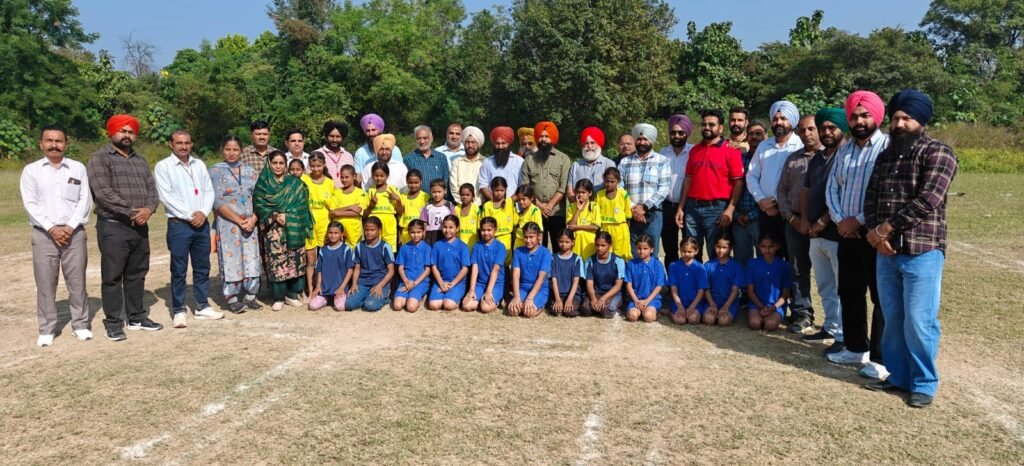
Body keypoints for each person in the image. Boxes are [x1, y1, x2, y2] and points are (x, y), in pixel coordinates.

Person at [863, 90, 957, 408]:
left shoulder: (939, 153)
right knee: (893, 317)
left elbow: (928, 200)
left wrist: (886, 228)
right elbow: (871, 196)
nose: (899, 123)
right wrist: (876, 233)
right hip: (886, 252)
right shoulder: (886, 155)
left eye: (907, 118)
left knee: (919, 320)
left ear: (921, 121)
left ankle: (924, 383)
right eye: (896, 118)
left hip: (922, 250)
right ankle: (899, 376)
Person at [825, 90, 890, 377]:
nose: (859, 120)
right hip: (846, 233)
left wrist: (859, 221)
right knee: (849, 291)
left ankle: (879, 357)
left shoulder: (887, 147)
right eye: (854, 116)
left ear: (876, 116)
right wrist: (841, 221)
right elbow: (832, 189)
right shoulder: (845, 150)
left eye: (865, 115)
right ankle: (854, 347)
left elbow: (886, 192)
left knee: (880, 296)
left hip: (874, 233)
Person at [87, 114, 162, 340]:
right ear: (112, 132)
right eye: (123, 131)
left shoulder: (140, 161)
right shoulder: (100, 158)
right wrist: (132, 212)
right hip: (113, 226)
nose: (127, 135)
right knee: (112, 276)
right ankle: (113, 322)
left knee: (137, 273)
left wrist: (148, 209)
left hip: (139, 226)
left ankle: (137, 316)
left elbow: (153, 191)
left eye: (131, 132)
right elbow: (102, 193)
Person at [21, 125, 93, 346]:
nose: (54, 145)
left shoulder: (77, 168)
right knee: (45, 283)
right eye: (49, 141)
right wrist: (51, 228)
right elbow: (30, 203)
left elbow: (85, 199)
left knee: (77, 282)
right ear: (41, 144)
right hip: (44, 234)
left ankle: (80, 325)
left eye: (59, 141)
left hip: (74, 233)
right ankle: (47, 328)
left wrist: (70, 227)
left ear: (66, 143)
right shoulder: (31, 171)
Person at [155, 129, 222, 328]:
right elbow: (166, 196)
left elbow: (208, 190)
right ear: (171, 144)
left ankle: (202, 305)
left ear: (191, 144)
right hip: (179, 225)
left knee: (203, 267)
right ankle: (179, 310)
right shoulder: (163, 167)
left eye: (187, 143)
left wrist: (203, 212)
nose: (183, 146)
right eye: (179, 143)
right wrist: (190, 215)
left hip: (201, 224)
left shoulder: (199, 164)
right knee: (179, 269)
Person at [800, 108, 847, 346]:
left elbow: (843, 195)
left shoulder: (847, 156)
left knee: (843, 288)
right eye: (823, 128)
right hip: (814, 234)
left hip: (837, 233)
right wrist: (807, 220)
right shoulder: (818, 158)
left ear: (842, 129)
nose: (826, 132)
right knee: (825, 285)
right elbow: (807, 191)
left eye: (832, 128)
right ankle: (830, 327)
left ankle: (844, 336)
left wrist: (821, 222)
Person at [674, 109, 745, 262]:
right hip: (692, 208)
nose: (707, 127)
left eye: (711, 124)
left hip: (717, 209)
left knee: (717, 253)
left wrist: (730, 210)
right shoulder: (694, 151)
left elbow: (739, 182)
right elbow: (688, 180)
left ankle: (715, 286)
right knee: (691, 252)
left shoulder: (731, 150)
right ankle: (696, 285)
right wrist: (681, 207)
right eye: (704, 124)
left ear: (720, 128)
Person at [776, 115, 821, 333]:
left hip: (825, 225)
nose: (807, 134)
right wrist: (792, 219)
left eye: (811, 129)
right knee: (797, 269)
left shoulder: (831, 157)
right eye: (802, 130)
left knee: (828, 272)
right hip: (794, 223)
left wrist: (820, 222)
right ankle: (802, 313)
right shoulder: (792, 159)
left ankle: (836, 321)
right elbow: (781, 191)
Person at [209, 136, 263, 313]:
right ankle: (232, 297)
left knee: (252, 257)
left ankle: (251, 295)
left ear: (241, 151)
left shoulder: (250, 171)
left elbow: (259, 197)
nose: (232, 153)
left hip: (250, 223)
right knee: (231, 259)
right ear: (222, 150)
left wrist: (253, 218)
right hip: (228, 224)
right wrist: (239, 221)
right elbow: (217, 201)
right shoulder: (216, 171)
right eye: (228, 149)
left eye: (235, 150)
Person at [254, 150, 312, 311]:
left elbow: (302, 205)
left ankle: (292, 294)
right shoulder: (263, 183)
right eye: (275, 163)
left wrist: (288, 215)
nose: (278, 166)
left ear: (286, 165)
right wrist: (275, 215)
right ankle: (278, 296)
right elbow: (259, 205)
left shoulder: (295, 183)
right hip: (273, 230)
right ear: (269, 164)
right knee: (277, 262)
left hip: (294, 228)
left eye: (281, 163)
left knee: (295, 259)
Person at [747, 100, 804, 260]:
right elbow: (751, 176)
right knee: (769, 257)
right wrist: (762, 200)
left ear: (792, 121)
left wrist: (778, 202)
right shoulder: (764, 146)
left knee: (792, 259)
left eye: (783, 118)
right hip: (766, 212)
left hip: (791, 213)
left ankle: (789, 287)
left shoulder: (800, 145)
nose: (779, 122)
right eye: (775, 119)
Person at [619, 123, 670, 258]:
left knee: (651, 252)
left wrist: (645, 207)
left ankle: (652, 279)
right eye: (639, 139)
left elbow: (663, 189)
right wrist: (634, 208)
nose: (642, 142)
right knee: (633, 252)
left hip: (653, 214)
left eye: (645, 139)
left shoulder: (662, 161)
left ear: (651, 141)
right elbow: (620, 188)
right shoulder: (625, 162)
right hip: (631, 214)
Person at [520, 121, 572, 247]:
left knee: (559, 246)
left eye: (547, 136)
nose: (543, 139)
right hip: (535, 211)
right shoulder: (529, 160)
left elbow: (563, 186)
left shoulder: (563, 159)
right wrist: (540, 206)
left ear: (553, 138)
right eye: (541, 136)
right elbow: (525, 187)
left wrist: (549, 205)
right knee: (536, 247)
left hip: (557, 212)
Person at [660, 114, 695, 265]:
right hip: (666, 206)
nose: (677, 136)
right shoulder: (662, 153)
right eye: (673, 132)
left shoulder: (694, 152)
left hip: (689, 206)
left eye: (681, 132)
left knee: (690, 246)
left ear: (687, 133)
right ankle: (672, 283)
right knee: (669, 248)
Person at [301, 152, 335, 301]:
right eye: (313, 166)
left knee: (324, 257)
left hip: (324, 223)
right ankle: (309, 288)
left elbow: (332, 206)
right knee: (310, 259)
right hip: (308, 223)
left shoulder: (329, 182)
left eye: (319, 166)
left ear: (324, 165)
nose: (316, 169)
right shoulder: (304, 179)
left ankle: (322, 286)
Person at [732, 121, 766, 265]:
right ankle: (744, 288)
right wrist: (736, 214)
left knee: (763, 258)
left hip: (760, 216)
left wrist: (751, 215)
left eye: (758, 133)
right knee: (741, 258)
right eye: (751, 134)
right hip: (739, 216)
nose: (754, 137)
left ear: (766, 135)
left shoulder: (768, 160)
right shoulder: (739, 159)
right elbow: (732, 187)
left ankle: (760, 288)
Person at [347, 216, 395, 312]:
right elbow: (357, 267)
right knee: (349, 304)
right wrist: (354, 284)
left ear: (379, 230)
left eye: (372, 230)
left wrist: (380, 286)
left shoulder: (385, 247)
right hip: (363, 282)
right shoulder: (359, 246)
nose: (368, 232)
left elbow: (391, 270)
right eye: (366, 230)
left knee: (370, 305)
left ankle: (384, 298)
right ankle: (367, 296)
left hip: (380, 282)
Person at [746, 232, 791, 332]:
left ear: (777, 246)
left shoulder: (784, 266)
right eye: (763, 246)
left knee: (769, 325)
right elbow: (750, 291)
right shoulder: (752, 264)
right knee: (754, 323)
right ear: (758, 246)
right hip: (757, 304)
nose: (767, 250)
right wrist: (761, 306)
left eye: (771, 247)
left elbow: (785, 294)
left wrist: (774, 308)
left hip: (776, 306)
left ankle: (774, 315)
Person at [462, 216, 505, 314]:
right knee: (467, 306)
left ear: (495, 230)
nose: (486, 233)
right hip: (480, 283)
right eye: (483, 230)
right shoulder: (477, 246)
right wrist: (471, 290)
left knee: (485, 308)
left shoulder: (500, 247)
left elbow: (495, 270)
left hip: (496, 284)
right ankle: (479, 299)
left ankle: (497, 299)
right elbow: (475, 268)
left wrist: (489, 291)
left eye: (489, 230)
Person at [508, 222, 551, 318]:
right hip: (523, 288)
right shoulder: (518, 251)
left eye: (531, 237)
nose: (528, 240)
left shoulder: (545, 253)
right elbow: (515, 275)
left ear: (538, 236)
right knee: (513, 311)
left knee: (528, 313)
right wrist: (516, 297)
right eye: (526, 237)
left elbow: (541, 278)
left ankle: (541, 306)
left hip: (540, 290)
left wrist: (530, 298)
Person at [428, 215, 471, 311]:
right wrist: (441, 283)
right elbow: (434, 266)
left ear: (457, 228)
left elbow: (465, 268)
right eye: (445, 227)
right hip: (441, 281)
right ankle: (445, 294)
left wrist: (452, 284)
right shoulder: (437, 245)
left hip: (457, 282)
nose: (447, 230)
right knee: (434, 305)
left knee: (448, 305)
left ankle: (455, 298)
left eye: (451, 227)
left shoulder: (463, 246)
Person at [309, 222, 355, 311]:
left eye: (336, 233)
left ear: (342, 234)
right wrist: (318, 286)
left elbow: (350, 269)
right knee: (312, 306)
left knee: (339, 307)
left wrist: (342, 287)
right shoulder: (323, 250)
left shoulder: (346, 249)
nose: (333, 235)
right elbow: (319, 270)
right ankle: (326, 298)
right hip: (324, 287)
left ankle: (336, 297)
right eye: (330, 233)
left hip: (340, 287)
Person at [703, 232, 745, 327]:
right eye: (718, 247)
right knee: (708, 320)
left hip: (730, 303)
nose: (720, 250)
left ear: (731, 248)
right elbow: (706, 288)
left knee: (723, 321)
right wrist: (712, 304)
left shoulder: (736, 267)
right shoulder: (708, 265)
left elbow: (735, 290)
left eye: (724, 248)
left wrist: (726, 307)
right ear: (714, 246)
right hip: (712, 301)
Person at [392, 219, 432, 313]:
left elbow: (427, 270)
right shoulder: (404, 248)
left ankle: (421, 296)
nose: (416, 235)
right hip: (405, 282)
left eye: (419, 232)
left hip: (420, 283)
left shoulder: (427, 248)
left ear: (423, 232)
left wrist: (414, 284)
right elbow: (400, 267)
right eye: (413, 232)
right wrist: (406, 281)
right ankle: (409, 297)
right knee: (397, 306)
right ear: (409, 233)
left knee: (411, 308)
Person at [583, 232, 625, 318]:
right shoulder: (590, 260)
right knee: (585, 309)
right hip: (597, 292)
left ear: (610, 246)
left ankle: (615, 308)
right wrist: (593, 298)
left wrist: (603, 298)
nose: (599, 248)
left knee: (606, 310)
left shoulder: (618, 261)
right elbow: (589, 283)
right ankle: (598, 308)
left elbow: (618, 286)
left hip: (613, 293)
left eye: (603, 245)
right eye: (597, 245)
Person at [363, 161, 404, 250]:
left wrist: (398, 200)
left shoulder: (392, 190)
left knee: (389, 251)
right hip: (373, 226)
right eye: (376, 176)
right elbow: (365, 215)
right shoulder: (370, 191)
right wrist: (371, 205)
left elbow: (400, 212)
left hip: (389, 225)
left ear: (387, 175)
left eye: (382, 176)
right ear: (372, 175)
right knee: (374, 249)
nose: (379, 178)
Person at [624, 234, 664, 323]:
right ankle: (638, 311)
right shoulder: (631, 264)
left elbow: (659, 286)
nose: (641, 251)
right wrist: (636, 300)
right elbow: (628, 285)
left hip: (652, 299)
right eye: (639, 248)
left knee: (648, 317)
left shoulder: (657, 265)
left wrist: (647, 301)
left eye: (645, 249)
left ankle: (656, 312)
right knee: (632, 316)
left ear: (652, 249)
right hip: (636, 299)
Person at [667, 237, 707, 326]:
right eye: (684, 251)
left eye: (690, 252)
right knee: (680, 321)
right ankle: (670, 312)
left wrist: (692, 306)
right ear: (680, 250)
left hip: (695, 302)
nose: (686, 254)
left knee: (693, 320)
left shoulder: (700, 268)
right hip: (679, 301)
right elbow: (673, 289)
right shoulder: (673, 266)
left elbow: (701, 291)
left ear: (696, 251)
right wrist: (679, 306)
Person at [478, 126, 524, 201]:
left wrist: (509, 202)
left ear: (509, 144)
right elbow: (483, 185)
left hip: (514, 205)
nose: (500, 146)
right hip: (492, 205)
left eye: (503, 143)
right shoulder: (487, 162)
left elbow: (522, 185)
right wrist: (494, 201)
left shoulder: (519, 162)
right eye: (497, 143)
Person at [405, 125, 451, 200]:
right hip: (417, 202)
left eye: (425, 138)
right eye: (419, 138)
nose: (422, 141)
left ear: (431, 138)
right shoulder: (409, 159)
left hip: (437, 203)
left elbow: (445, 180)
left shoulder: (441, 158)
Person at [596, 167, 633, 260]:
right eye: (607, 181)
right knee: (605, 255)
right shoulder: (599, 195)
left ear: (618, 181)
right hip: (604, 229)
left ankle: (622, 274)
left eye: (612, 182)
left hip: (620, 228)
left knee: (622, 255)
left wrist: (625, 229)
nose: (609, 184)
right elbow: (595, 214)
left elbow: (628, 216)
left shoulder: (623, 194)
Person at [568, 126, 617, 194]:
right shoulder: (576, 165)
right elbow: (570, 192)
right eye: (586, 143)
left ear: (599, 144)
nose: (589, 146)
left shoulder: (609, 164)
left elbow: (613, 189)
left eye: (592, 143)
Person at [327, 165, 366, 249]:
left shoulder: (360, 192)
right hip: (338, 230)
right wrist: (350, 207)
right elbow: (332, 212)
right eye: (342, 177)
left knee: (354, 254)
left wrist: (338, 212)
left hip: (354, 231)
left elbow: (357, 212)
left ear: (354, 176)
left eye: (347, 177)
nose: (344, 180)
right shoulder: (336, 192)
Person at [550, 230, 585, 318]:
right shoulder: (553, 258)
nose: (564, 244)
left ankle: (575, 303)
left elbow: (576, 281)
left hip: (573, 295)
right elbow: (553, 280)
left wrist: (569, 300)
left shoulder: (577, 259)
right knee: (556, 311)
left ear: (572, 242)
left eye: (567, 242)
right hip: (559, 294)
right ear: (558, 241)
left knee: (569, 312)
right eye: (561, 241)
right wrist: (557, 299)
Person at [482, 177, 516, 262]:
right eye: (496, 190)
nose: (499, 193)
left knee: (505, 263)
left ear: (505, 190)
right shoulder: (487, 206)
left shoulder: (509, 202)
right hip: (492, 239)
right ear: (491, 190)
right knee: (492, 262)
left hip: (506, 238)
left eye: (502, 190)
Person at [449, 125, 486, 204]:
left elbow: (486, 186)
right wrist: (462, 202)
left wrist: (476, 205)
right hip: (460, 205)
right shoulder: (457, 162)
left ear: (479, 144)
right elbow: (453, 187)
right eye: (467, 142)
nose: (470, 145)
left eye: (473, 142)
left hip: (481, 206)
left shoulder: (485, 162)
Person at [312, 121, 354, 188]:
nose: (334, 139)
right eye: (331, 136)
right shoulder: (316, 154)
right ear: (326, 136)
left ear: (342, 138)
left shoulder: (348, 156)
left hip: (344, 195)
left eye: (338, 137)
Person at [566, 179, 600, 259]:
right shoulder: (571, 206)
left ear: (590, 193)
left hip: (589, 243)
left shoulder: (594, 206)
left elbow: (595, 227)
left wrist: (577, 227)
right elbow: (570, 226)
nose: (580, 195)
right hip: (576, 243)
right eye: (578, 192)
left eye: (583, 192)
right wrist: (578, 210)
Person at [398, 169, 429, 245]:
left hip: (419, 233)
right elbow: (400, 217)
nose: (413, 185)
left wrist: (424, 231)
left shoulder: (425, 197)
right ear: (406, 182)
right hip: (406, 233)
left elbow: (427, 217)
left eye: (416, 182)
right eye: (410, 183)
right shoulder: (402, 197)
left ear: (421, 181)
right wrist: (399, 236)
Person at [419, 178, 454, 244]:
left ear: (445, 191)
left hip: (445, 233)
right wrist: (423, 232)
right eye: (434, 192)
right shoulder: (428, 206)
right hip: (430, 234)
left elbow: (453, 221)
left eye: (439, 192)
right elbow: (424, 222)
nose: (436, 194)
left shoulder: (449, 205)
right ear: (430, 191)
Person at [512, 185, 543, 250]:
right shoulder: (517, 209)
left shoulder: (535, 211)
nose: (521, 202)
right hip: (518, 243)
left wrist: (538, 248)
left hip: (530, 245)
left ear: (531, 198)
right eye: (519, 199)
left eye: (524, 199)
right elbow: (515, 224)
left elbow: (540, 231)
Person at [455, 183, 480, 250]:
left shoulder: (476, 209)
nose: (464, 197)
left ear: (473, 196)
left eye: (467, 195)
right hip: (459, 244)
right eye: (462, 195)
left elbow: (480, 228)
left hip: (473, 244)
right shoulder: (456, 208)